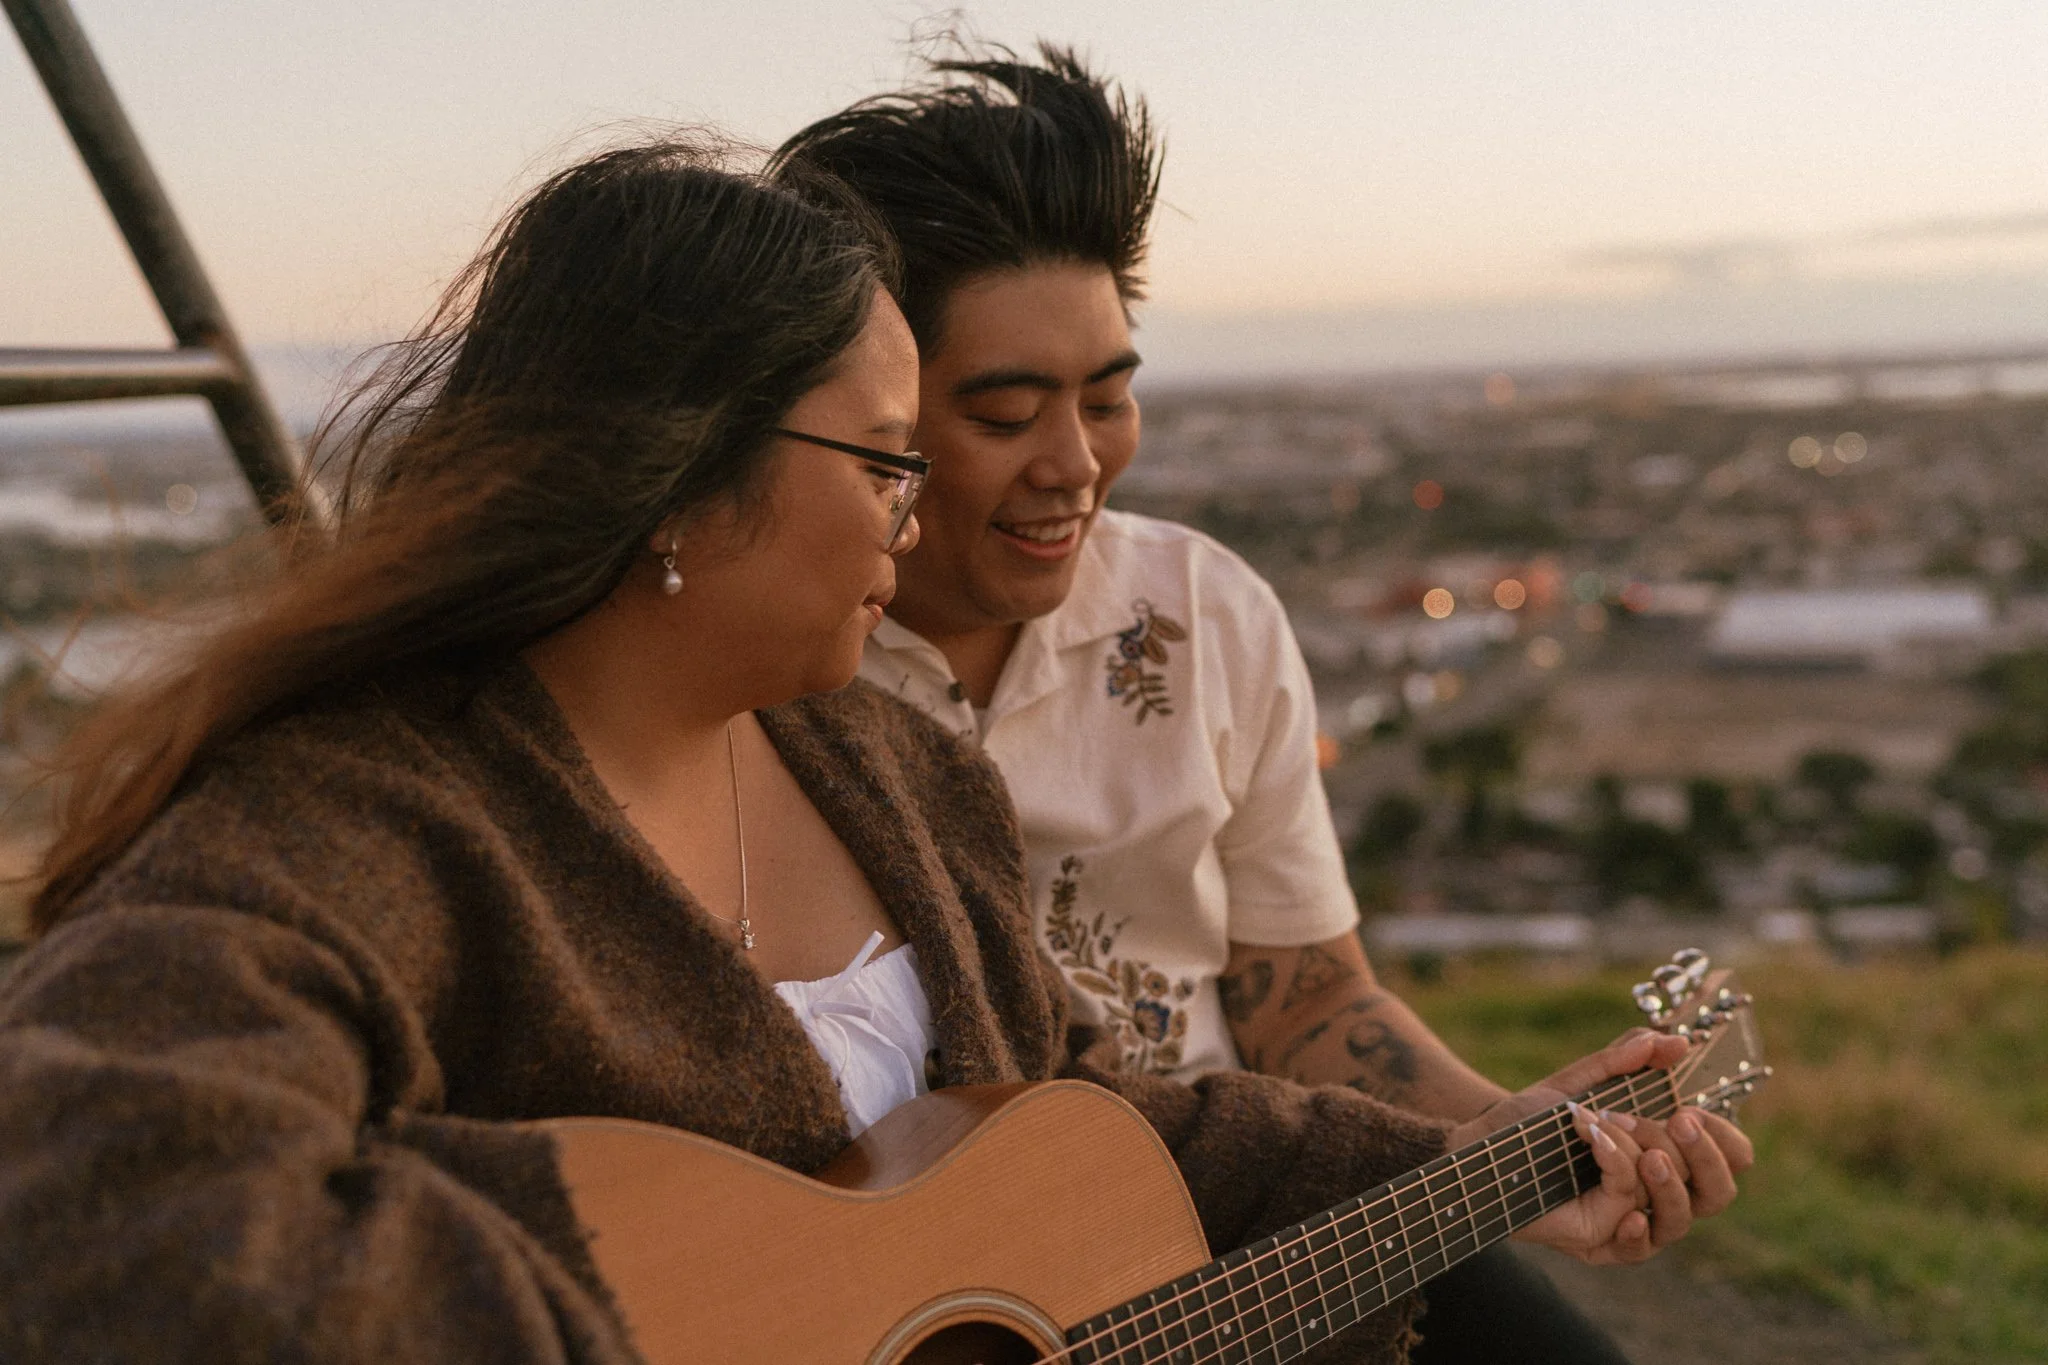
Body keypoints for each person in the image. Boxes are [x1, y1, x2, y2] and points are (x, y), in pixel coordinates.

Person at [0, 135, 1678, 1365]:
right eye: (889, 454)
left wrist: (1490, 1162)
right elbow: (103, 1211)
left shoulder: (892, 770)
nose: (918, 504)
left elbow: (1076, 1127)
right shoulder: (358, 819)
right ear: (679, 472)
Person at [775, 44, 1753, 1364]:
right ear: (869, 408)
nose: (1076, 464)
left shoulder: (1206, 614)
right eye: (1007, 409)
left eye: (1110, 397)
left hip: (1262, 1223)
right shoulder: (772, 659)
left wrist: (1511, 1142)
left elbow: (1302, 996)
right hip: (921, 1292)